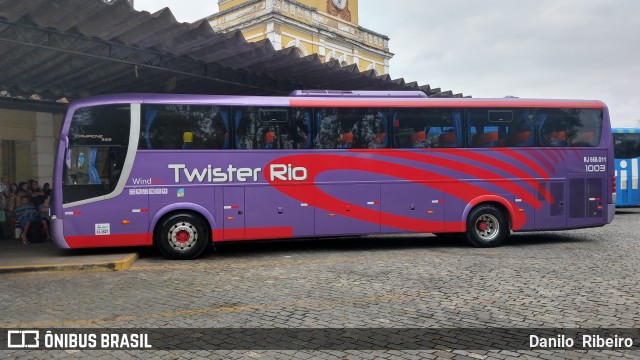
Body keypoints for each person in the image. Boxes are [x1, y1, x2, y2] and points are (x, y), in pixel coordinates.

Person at [0, 174, 8, 240]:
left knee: (2, 220)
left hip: (3, 205)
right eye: (6, 178)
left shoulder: (5, 186)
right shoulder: (1, 186)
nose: (7, 179)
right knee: (2, 220)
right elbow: (1, 195)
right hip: (1, 205)